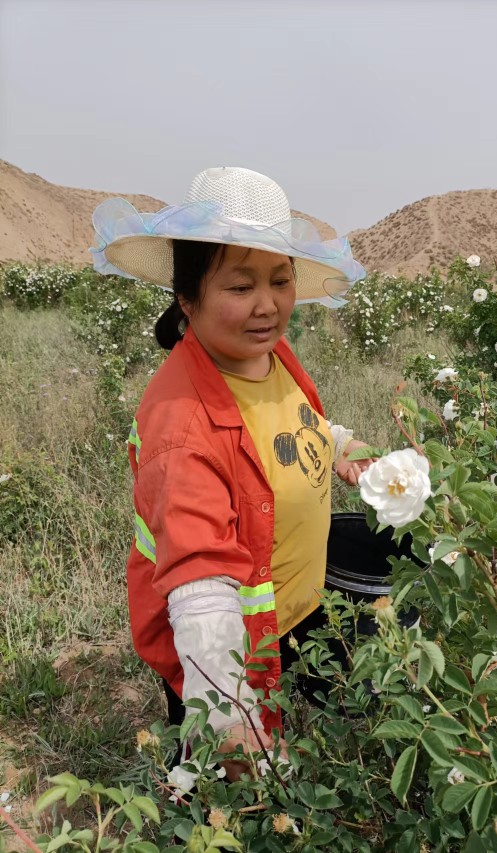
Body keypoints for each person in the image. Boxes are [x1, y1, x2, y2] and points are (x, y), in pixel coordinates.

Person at [90, 166, 371, 780]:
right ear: (187, 297)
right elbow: (202, 596)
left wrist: (345, 455)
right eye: (240, 286)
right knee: (226, 790)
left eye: (281, 280)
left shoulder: (267, 356)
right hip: (222, 639)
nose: (268, 305)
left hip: (288, 607)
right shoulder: (181, 426)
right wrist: (229, 713)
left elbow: (292, 426)